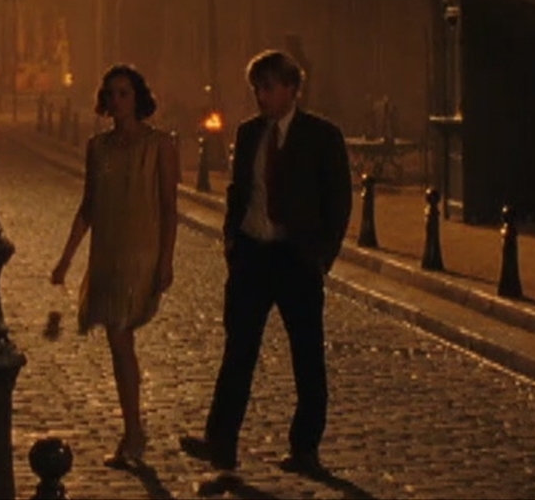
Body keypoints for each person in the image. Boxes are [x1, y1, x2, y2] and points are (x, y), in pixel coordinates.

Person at [180, 49, 352, 476]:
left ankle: (305, 447)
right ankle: (221, 441)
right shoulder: (249, 132)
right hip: (253, 255)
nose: (261, 96)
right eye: (257, 88)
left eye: (269, 88)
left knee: (306, 355)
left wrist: (321, 256)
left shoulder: (321, 136)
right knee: (238, 350)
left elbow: (338, 200)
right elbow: (239, 191)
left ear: (292, 89)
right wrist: (232, 242)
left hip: (297, 257)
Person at [51, 64, 180, 467]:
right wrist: (66, 259)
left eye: (124, 93)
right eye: (111, 94)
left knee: (121, 338)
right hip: (106, 253)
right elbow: (88, 207)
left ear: (138, 97)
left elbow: (169, 206)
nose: (117, 100)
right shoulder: (98, 147)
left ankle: (134, 432)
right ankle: (132, 431)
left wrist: (166, 259)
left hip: (141, 252)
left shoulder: (159, 145)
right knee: (118, 342)